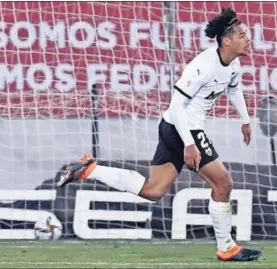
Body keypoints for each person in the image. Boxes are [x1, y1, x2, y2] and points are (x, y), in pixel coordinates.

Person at [57, 8, 261, 262]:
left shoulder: (233, 64)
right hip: (181, 128)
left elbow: (234, 89)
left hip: (174, 129)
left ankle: (89, 169)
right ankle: (226, 247)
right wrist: (189, 143)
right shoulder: (202, 66)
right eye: (242, 35)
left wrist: (245, 120)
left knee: (153, 190)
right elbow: (176, 107)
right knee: (223, 183)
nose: (248, 39)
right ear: (226, 40)